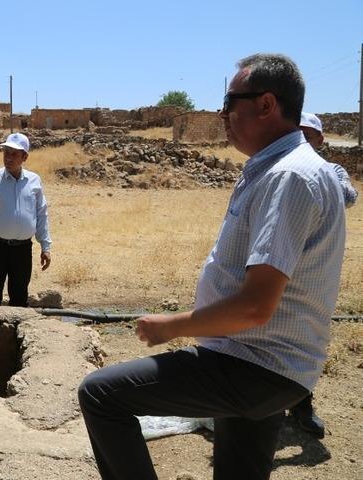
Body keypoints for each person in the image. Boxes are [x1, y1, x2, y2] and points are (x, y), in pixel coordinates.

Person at [78, 54, 346, 480]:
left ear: (266, 104)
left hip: (254, 363)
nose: (222, 115)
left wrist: (172, 326)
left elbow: (256, 306)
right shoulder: (278, 168)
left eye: (229, 102)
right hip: (260, 360)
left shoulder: (289, 177)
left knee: (101, 395)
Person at [284, 112, 358, 438]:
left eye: (308, 135)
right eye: (297, 133)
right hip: (277, 260)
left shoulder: (332, 170)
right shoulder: (279, 168)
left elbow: (349, 196)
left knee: (305, 336)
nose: (302, 139)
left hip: (312, 267)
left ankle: (302, 405)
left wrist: (311, 182)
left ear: (320, 140)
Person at [0, 132, 52, 307]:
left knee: (20, 297)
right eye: (6, 153)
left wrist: (45, 247)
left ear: (25, 157)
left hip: (22, 249)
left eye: (14, 154)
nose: (8, 158)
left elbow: (41, 214)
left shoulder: (34, 181)